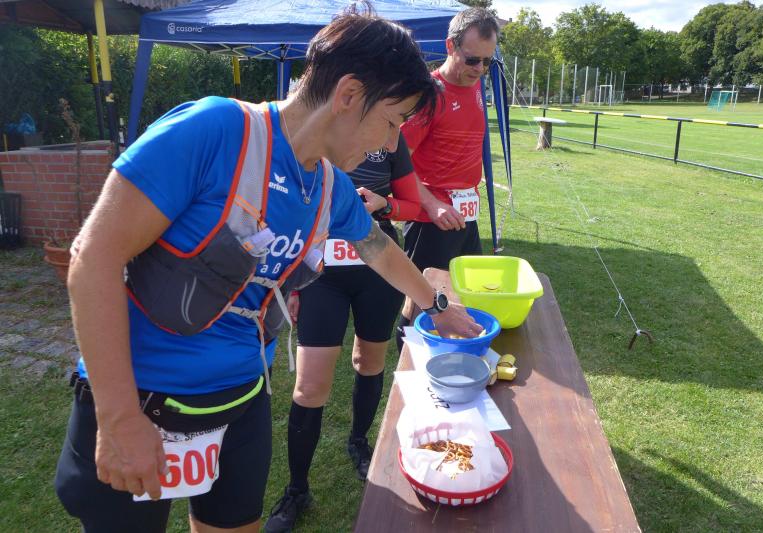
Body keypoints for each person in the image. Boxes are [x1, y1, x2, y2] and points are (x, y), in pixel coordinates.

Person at [53, 11, 482, 533]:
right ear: (348, 95)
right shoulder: (214, 130)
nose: (391, 146)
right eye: (392, 122)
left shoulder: (328, 185)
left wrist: (439, 306)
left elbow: (379, 250)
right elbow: (93, 257)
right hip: (145, 399)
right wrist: (119, 417)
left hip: (242, 399)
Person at [264, 133, 420, 532]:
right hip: (321, 274)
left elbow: (415, 205)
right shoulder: (320, 129)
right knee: (309, 385)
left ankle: (359, 442)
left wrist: (386, 204)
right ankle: (297, 489)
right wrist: (291, 283)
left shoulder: (389, 135)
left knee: (369, 361)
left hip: (378, 269)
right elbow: (287, 206)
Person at [396, 7, 500, 351]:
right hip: (431, 220)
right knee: (422, 303)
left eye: (487, 61)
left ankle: (458, 358)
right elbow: (398, 160)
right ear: (450, 46)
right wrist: (431, 204)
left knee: (465, 296)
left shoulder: (475, 84)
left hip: (465, 215)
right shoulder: (428, 94)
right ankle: (407, 366)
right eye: (472, 59)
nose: (479, 69)